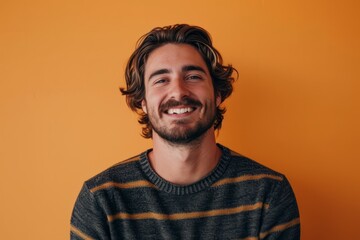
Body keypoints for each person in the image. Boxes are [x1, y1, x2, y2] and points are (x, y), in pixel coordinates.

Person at [70, 24, 300, 239]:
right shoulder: (101, 199)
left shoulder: (268, 193)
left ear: (217, 94)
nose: (178, 91)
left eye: (193, 77)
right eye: (161, 80)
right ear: (143, 102)